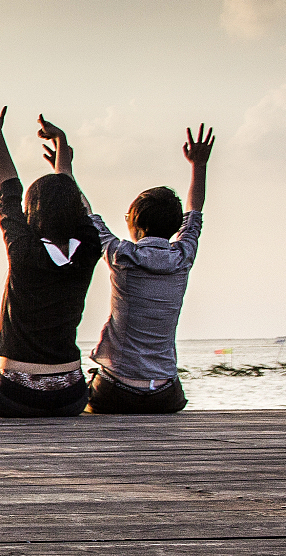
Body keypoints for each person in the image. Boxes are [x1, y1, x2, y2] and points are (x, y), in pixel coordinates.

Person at [0, 108, 102, 418]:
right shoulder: (89, 248)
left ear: (33, 213)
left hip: (18, 394)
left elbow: (8, 191)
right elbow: (81, 209)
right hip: (72, 396)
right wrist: (63, 148)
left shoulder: (24, 251)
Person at [85, 125, 213, 414]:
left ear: (134, 225)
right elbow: (195, 213)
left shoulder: (122, 255)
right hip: (166, 395)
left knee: (86, 395)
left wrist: (64, 165)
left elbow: (88, 215)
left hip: (116, 391)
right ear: (174, 226)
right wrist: (199, 165)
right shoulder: (183, 256)